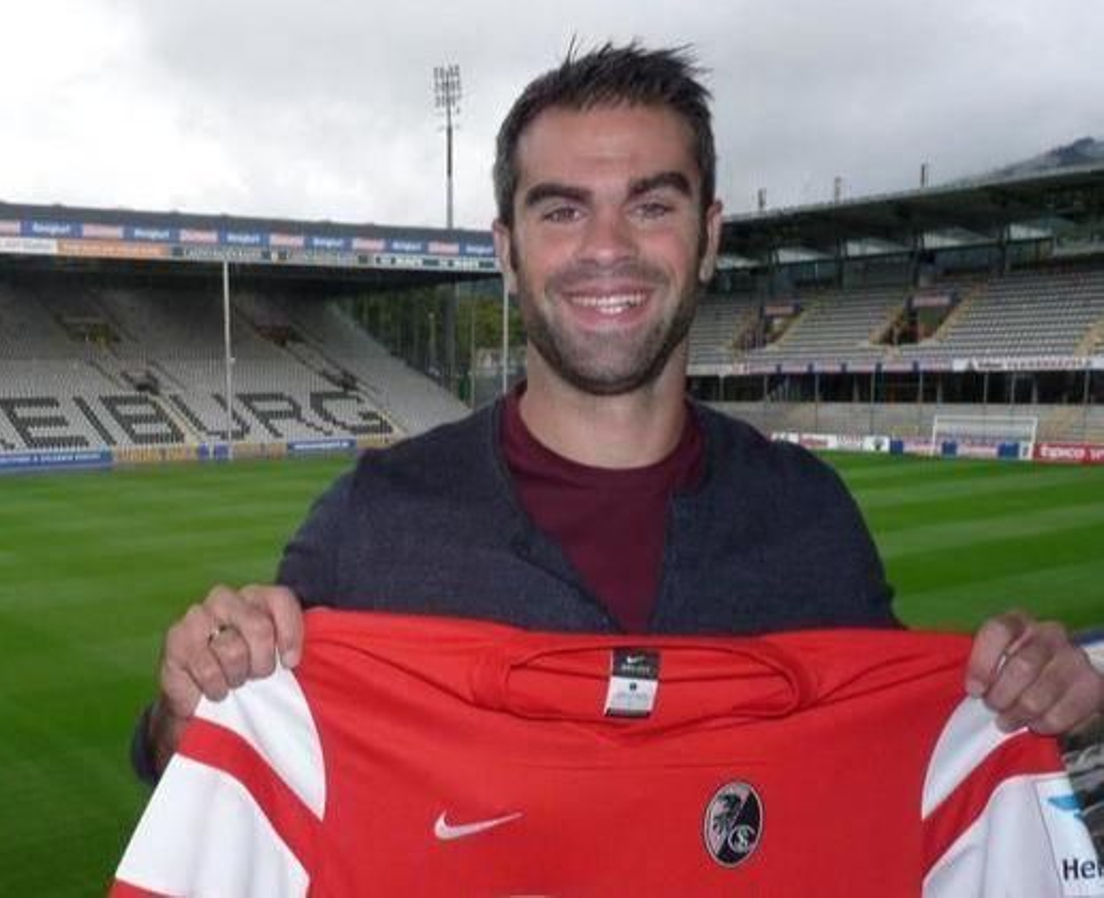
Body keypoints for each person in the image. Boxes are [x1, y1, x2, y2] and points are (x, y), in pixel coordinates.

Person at [131, 41, 1104, 782]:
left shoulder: (810, 520)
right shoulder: (371, 522)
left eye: (650, 204)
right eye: (560, 210)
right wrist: (191, 701)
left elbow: (905, 760)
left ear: (708, 235)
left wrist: (1036, 694)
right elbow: (215, 767)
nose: (607, 247)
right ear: (506, 250)